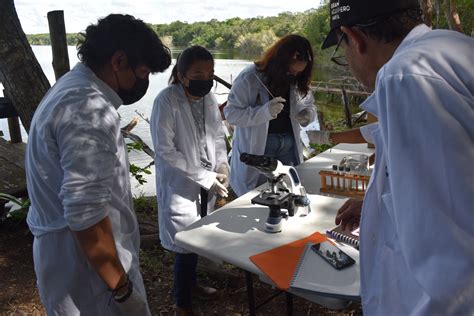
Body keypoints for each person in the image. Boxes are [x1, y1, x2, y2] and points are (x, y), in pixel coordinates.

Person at [321, 0, 474, 314]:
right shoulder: (452, 49)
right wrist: (375, 201)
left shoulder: (403, 77)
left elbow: (450, 265)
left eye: (342, 48)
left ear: (354, 38)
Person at [25, 14, 171, 315]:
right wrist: (121, 289)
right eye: (142, 73)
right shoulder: (87, 108)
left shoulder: (70, 89)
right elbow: (85, 213)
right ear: (118, 60)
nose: (142, 82)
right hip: (90, 276)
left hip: (71, 262)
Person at [150, 45, 229, 315]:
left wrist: (222, 167)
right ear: (182, 75)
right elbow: (165, 149)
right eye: (198, 73)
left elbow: (218, 136)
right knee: (185, 245)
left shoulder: (208, 100)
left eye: (210, 73)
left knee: (198, 237)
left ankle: (191, 285)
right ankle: (181, 302)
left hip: (206, 181)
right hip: (180, 185)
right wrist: (205, 175)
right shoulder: (166, 100)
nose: (205, 79)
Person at [224, 34, 317, 196]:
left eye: (298, 73)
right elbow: (231, 114)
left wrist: (308, 114)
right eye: (290, 71)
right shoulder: (250, 77)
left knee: (289, 193)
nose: (293, 75)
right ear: (279, 61)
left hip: (289, 146)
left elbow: (310, 104)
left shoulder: (298, 79)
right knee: (258, 197)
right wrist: (264, 112)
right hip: (260, 148)